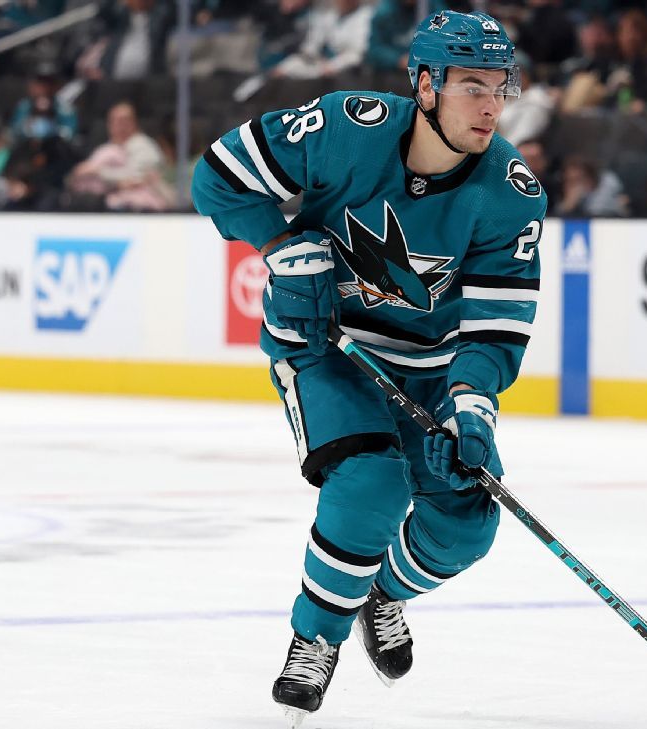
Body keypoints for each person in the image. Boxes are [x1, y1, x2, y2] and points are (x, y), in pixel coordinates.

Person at [191, 10, 545, 724]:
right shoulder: (344, 128)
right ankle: (315, 638)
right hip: (328, 348)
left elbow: (494, 331)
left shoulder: (511, 194)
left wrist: (472, 407)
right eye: (471, 85)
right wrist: (278, 245)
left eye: (499, 87)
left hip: (428, 370)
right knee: (371, 484)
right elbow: (217, 177)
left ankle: (380, 593)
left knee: (468, 524)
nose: (490, 105)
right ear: (425, 86)